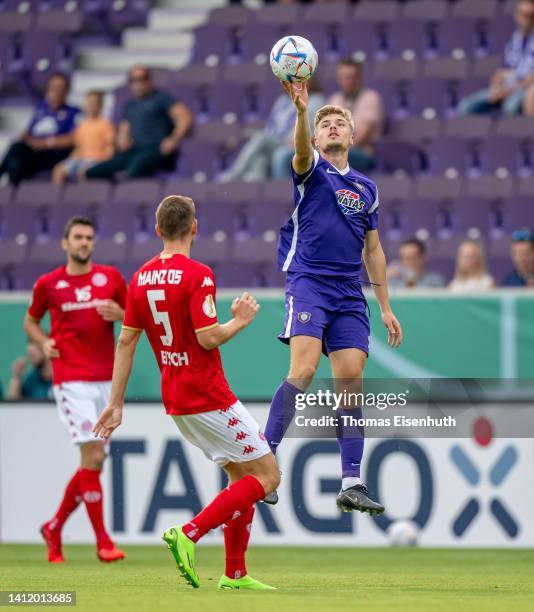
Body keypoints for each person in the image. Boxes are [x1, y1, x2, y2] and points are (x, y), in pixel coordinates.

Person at [93, 195, 280, 590]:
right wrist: (240, 320)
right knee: (268, 475)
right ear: (195, 227)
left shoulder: (140, 277)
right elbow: (208, 337)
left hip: (176, 398)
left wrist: (115, 403)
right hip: (208, 393)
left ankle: (234, 574)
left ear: (158, 230)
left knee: (239, 476)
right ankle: (189, 533)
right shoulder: (198, 274)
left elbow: (126, 343)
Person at [263, 83, 403, 513]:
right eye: (325, 124)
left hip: (348, 292)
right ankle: (261, 462)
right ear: (316, 138)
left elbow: (374, 250)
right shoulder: (310, 170)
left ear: (353, 135)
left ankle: (351, 482)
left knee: (351, 384)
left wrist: (384, 306)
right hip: (308, 282)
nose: (332, 125)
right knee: (303, 371)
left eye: (339, 121)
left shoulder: (366, 187)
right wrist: (303, 112)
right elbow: (302, 151)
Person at [24, 216, 127, 564]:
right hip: (71, 380)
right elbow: (30, 320)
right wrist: (44, 340)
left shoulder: (110, 278)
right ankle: (103, 542)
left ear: (93, 244)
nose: (84, 242)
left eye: (89, 237)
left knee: (92, 463)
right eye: (78, 237)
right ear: (65, 243)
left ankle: (54, 528)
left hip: (106, 381)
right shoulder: (49, 284)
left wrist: (120, 313)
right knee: (94, 457)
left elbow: (135, 318)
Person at [86, 66, 193, 180]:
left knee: (135, 169)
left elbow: (185, 117)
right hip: (134, 151)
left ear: (149, 80)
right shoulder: (130, 104)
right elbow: (124, 127)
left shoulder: (161, 98)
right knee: (92, 172)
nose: (139, 83)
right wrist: (122, 139)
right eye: (134, 80)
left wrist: (173, 139)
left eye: (143, 79)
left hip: (155, 149)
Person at [218, 77, 325, 182]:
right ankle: (260, 191)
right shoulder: (281, 101)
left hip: (294, 144)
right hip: (275, 140)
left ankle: (234, 175)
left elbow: (315, 128)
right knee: (260, 157)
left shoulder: (316, 100)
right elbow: (271, 125)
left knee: (263, 141)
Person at [457, 0, 534, 117]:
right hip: (505, 88)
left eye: (530, 16)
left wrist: (510, 89)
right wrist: (495, 88)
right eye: (523, 15)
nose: (526, 20)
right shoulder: (514, 39)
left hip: (523, 89)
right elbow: (502, 71)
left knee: (510, 107)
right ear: (516, 15)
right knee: (465, 107)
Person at [0, 73, 80, 185]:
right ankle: (12, 194)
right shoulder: (41, 109)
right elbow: (28, 132)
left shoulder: (73, 112)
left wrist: (44, 143)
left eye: (59, 88)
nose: (55, 92)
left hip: (52, 154)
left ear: (66, 91)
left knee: (16, 152)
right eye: (53, 88)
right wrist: (25, 137)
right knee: (15, 160)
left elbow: (72, 139)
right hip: (32, 152)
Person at [327, 58, 384, 172]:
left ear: (359, 77)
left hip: (363, 152)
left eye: (350, 77)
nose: (347, 81)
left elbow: (363, 134)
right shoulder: (334, 99)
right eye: (343, 77)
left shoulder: (371, 97)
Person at [52, 91, 115, 185]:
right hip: (80, 159)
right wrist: (71, 160)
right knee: (58, 170)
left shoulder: (106, 125)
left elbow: (110, 147)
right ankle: (59, 197)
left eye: (94, 103)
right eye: (88, 103)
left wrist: (105, 162)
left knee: (83, 172)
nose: (90, 106)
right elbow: (78, 147)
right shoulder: (81, 126)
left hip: (97, 160)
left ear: (100, 106)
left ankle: (83, 196)